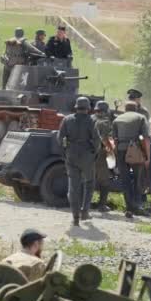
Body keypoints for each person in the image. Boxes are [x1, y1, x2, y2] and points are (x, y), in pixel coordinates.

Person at [57, 97, 99, 226]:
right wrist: (94, 154)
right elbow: (97, 140)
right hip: (87, 155)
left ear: (76, 107)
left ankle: (75, 217)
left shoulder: (67, 119)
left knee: (73, 188)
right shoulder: (92, 121)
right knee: (89, 183)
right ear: (88, 108)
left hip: (71, 154)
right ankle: (85, 211)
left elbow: (60, 138)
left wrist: (65, 152)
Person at [112, 101, 151, 218]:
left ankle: (129, 208)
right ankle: (137, 206)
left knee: (125, 180)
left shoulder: (117, 119)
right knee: (138, 178)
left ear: (125, 109)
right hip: (135, 151)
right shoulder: (141, 117)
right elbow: (145, 138)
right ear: (136, 109)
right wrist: (147, 155)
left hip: (120, 150)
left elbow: (114, 139)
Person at [92, 101, 114, 213]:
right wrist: (111, 151)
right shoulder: (104, 121)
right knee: (104, 179)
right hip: (99, 153)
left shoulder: (90, 118)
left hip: (87, 153)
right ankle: (102, 205)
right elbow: (105, 138)